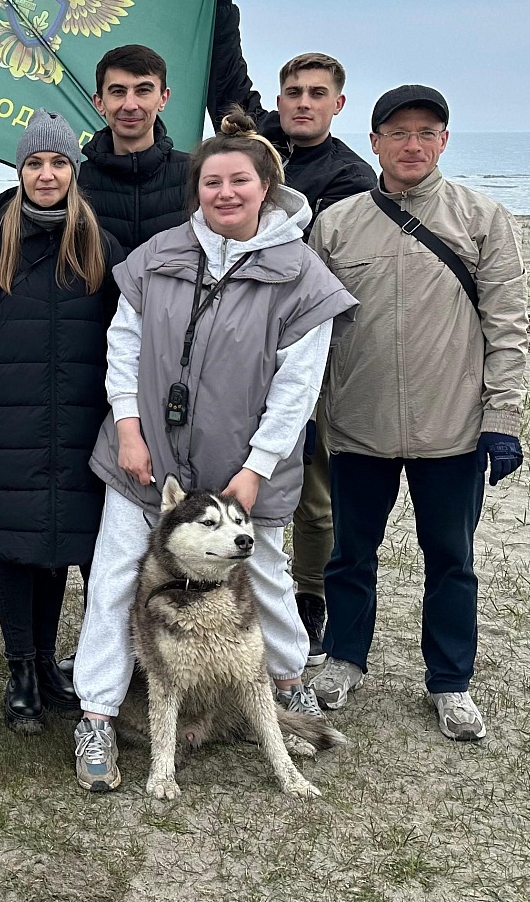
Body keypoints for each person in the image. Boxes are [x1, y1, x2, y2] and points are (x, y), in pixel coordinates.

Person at [67, 109, 358, 793]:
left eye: (240, 181)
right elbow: (123, 348)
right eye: (212, 182)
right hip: (144, 461)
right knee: (115, 582)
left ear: (267, 187)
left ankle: (287, 686)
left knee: (266, 579)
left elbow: (297, 387)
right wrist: (130, 429)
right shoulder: (158, 258)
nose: (225, 193)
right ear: (196, 188)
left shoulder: (301, 275)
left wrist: (254, 471)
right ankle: (98, 716)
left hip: (242, 469)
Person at [306, 85, 528, 741]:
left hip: (452, 428)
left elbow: (508, 329)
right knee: (350, 555)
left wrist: (503, 419)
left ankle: (451, 681)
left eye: (426, 132)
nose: (412, 144)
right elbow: (310, 329)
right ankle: (345, 658)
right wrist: (309, 413)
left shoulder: (483, 218)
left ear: (444, 141)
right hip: (357, 424)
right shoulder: (337, 223)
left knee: (451, 558)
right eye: (398, 132)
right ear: (373, 141)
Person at [0, 111, 125, 734]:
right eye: (34, 164)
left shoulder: (100, 247)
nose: (46, 175)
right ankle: (21, 669)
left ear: (74, 171)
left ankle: (50, 664)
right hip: (7, 429)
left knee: (63, 549)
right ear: (19, 171)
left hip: (80, 429)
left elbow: (129, 342)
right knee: (17, 552)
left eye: (58, 163)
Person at [211, 48, 379, 667]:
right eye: (293, 93)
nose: (303, 103)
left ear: (338, 104)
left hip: (308, 347)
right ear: (278, 101)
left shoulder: (350, 178)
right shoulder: (257, 146)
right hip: (233, 349)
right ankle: (229, 583)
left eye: (316, 94)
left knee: (310, 492)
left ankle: (310, 598)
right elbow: (226, 79)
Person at [77, 0, 253, 256]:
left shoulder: (198, 178)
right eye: (117, 91)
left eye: (143, 90)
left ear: (163, 98)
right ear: (99, 102)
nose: (130, 104)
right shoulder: (75, 181)